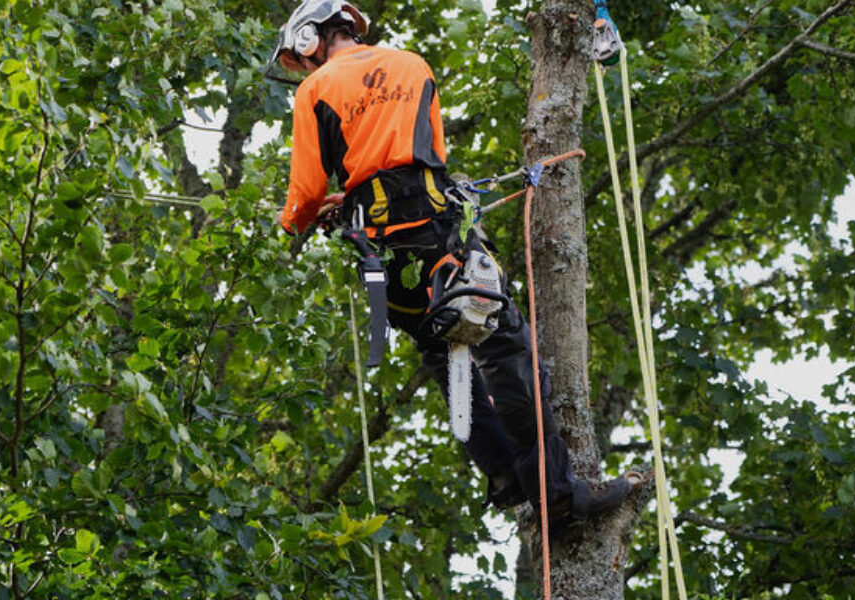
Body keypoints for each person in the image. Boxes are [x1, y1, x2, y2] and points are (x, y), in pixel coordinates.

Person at [270, 0, 640, 529]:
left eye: (301, 58)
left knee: (445, 356)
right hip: (436, 226)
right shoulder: (412, 65)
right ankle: (555, 492)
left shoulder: (315, 90)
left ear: (310, 39)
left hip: (382, 255)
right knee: (504, 345)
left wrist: (294, 223)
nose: (304, 69)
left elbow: (306, 191)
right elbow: (431, 156)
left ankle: (507, 478)